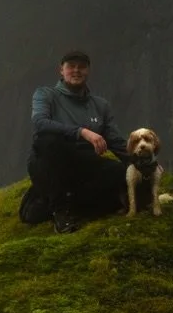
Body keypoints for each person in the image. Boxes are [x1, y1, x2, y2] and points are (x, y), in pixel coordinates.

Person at [20, 49, 129, 232]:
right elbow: (40, 123)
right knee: (49, 140)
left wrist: (143, 161)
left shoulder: (100, 105)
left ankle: (48, 203)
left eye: (82, 67)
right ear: (61, 70)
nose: (76, 71)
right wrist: (82, 132)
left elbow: (115, 140)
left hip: (85, 164)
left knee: (120, 173)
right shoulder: (45, 95)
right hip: (50, 162)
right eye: (71, 66)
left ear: (88, 71)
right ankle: (61, 213)